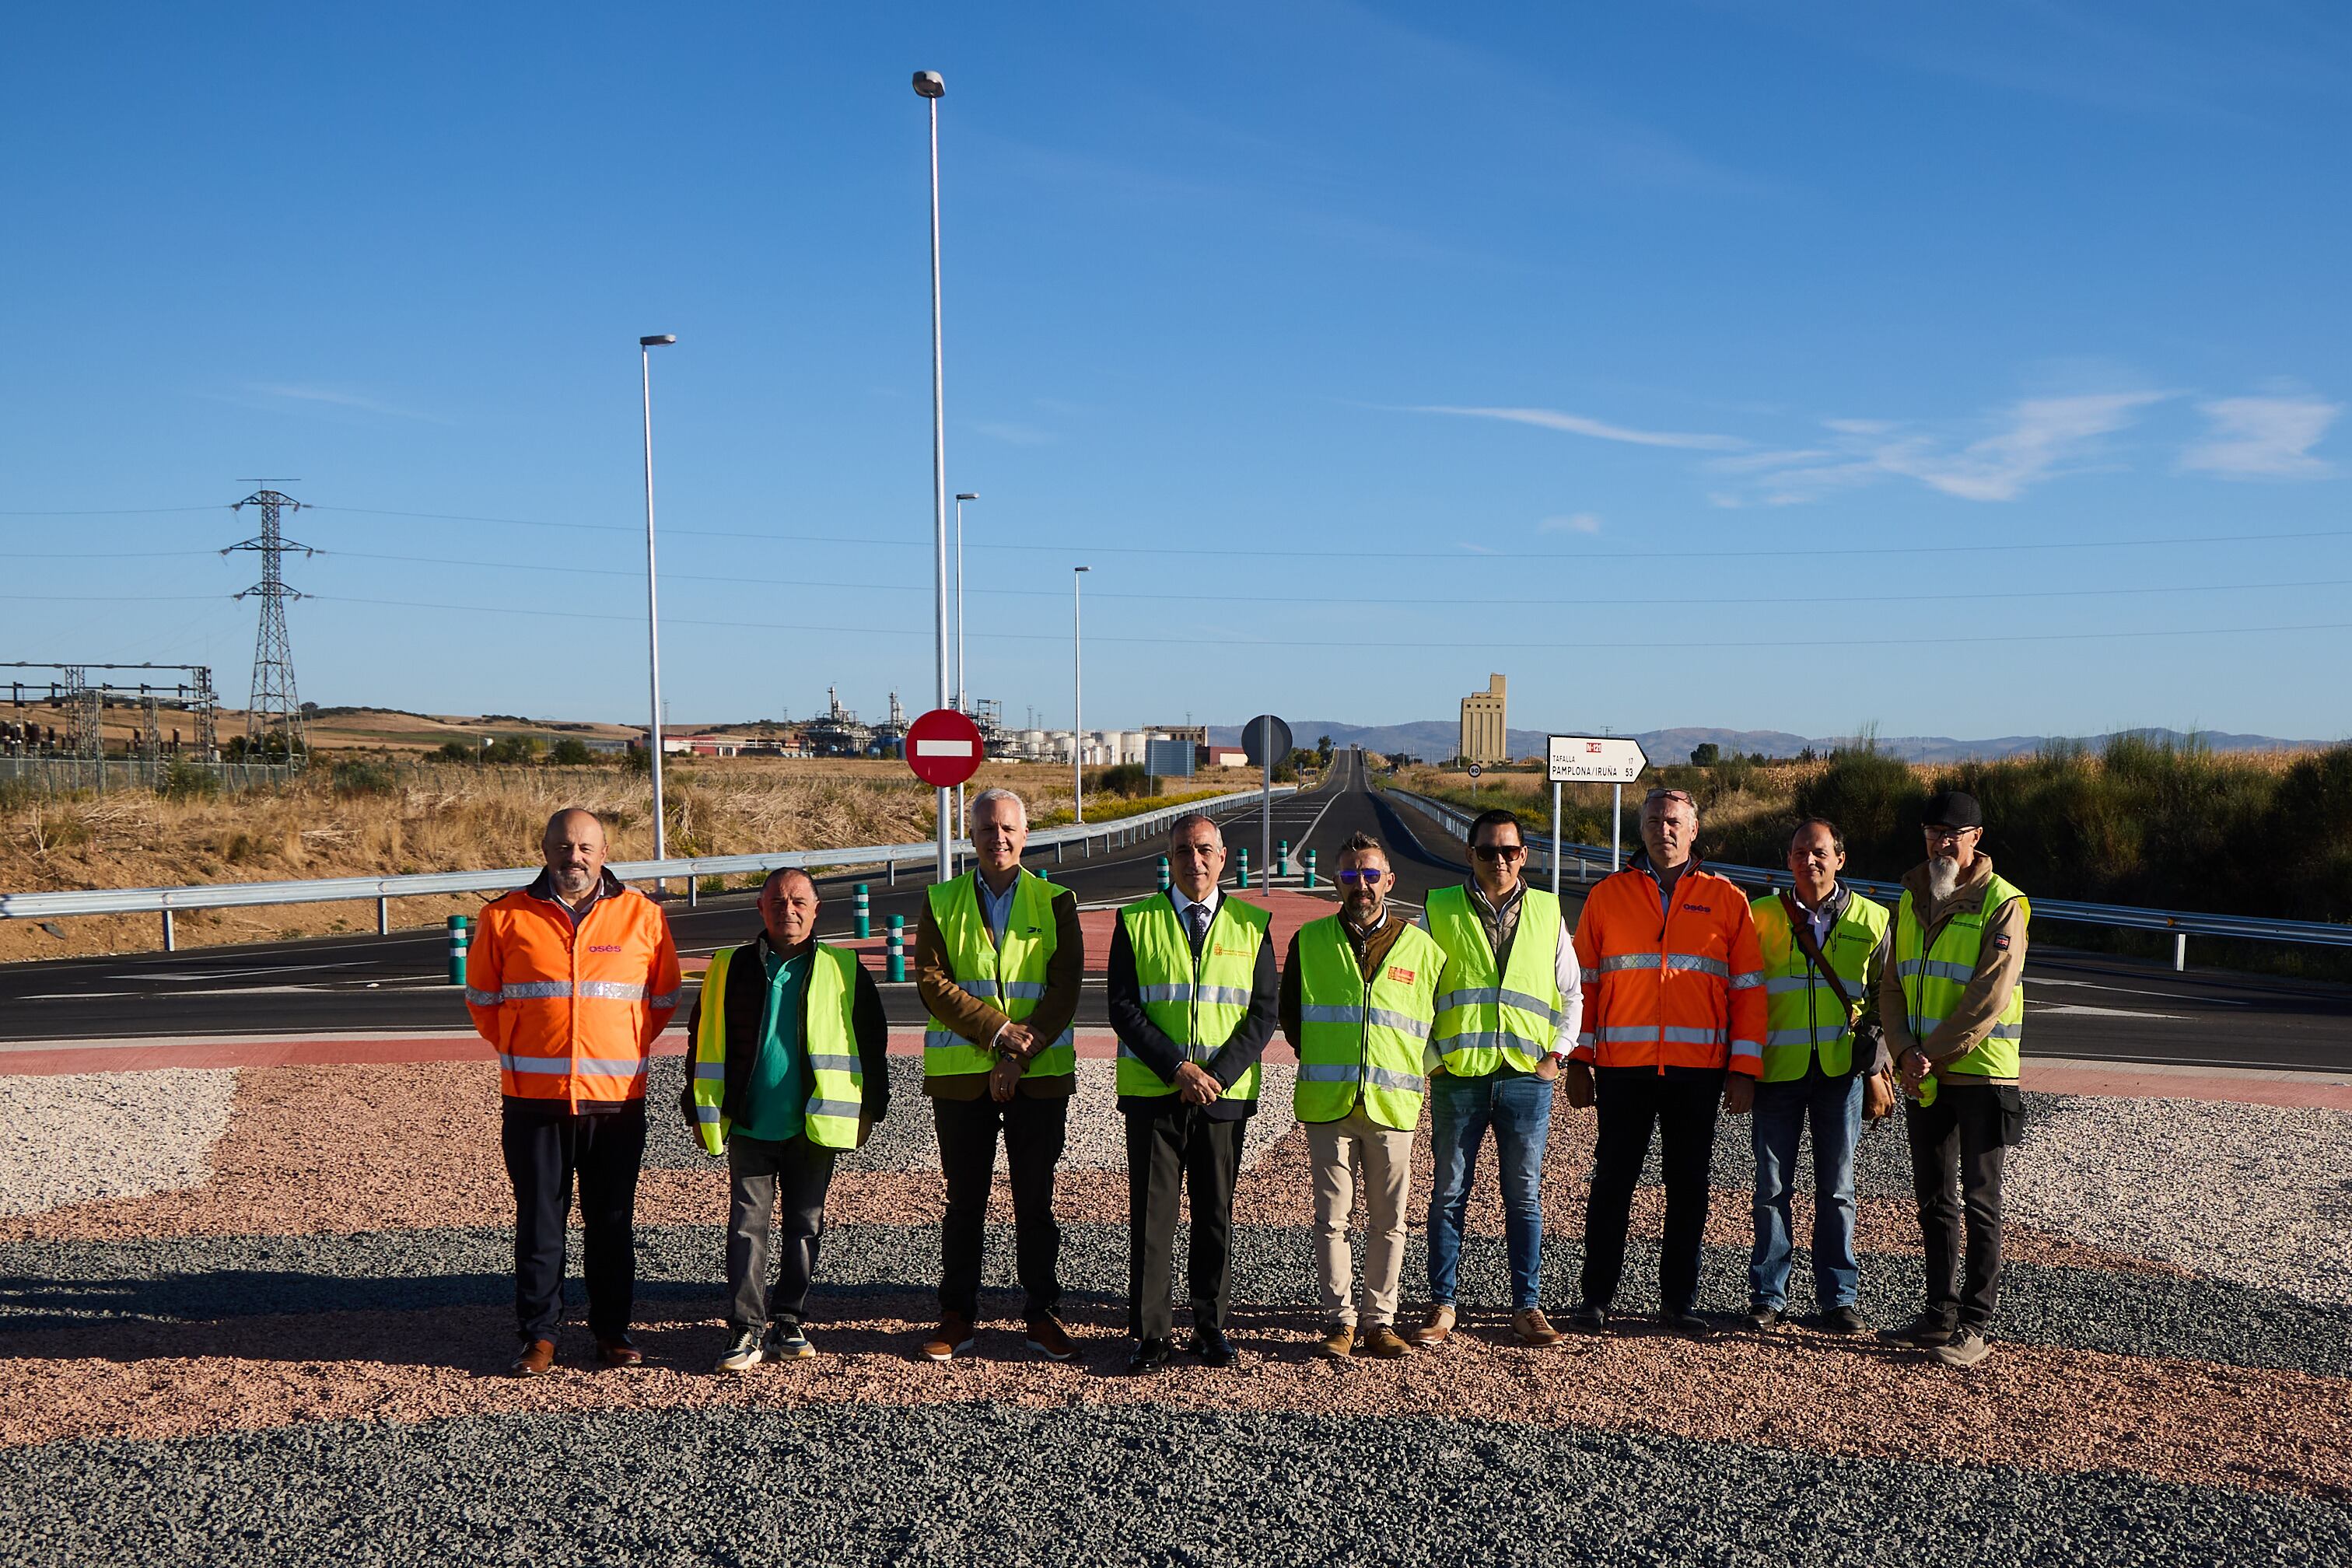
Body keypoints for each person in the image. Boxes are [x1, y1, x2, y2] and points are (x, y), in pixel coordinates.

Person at [464, 807, 682, 1376]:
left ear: (604, 852)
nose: (574, 858)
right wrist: (526, 1050)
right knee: (540, 1222)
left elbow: (661, 1002)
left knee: (612, 1222)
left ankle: (612, 1332)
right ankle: (539, 1336)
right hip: (534, 1100)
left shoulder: (644, 917)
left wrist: (619, 1049)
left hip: (616, 1102)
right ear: (545, 850)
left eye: (585, 847)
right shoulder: (505, 916)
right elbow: (484, 1003)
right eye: (563, 846)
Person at [1564, 787, 1765, 1338]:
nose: (1663, 829)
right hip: (1623, 1070)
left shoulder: (1728, 900)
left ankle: (1678, 1302)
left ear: (1694, 828)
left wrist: (1745, 1070)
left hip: (1697, 1073)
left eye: (1674, 820)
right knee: (1612, 1185)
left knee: (1689, 1189)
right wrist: (1579, 1061)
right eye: (1653, 820)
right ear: (1642, 828)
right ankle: (1596, 1299)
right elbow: (1583, 985)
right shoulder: (1607, 896)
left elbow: (1748, 992)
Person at [683, 868, 891, 1371]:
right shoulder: (728, 967)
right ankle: (745, 1329)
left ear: (817, 909)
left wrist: (871, 1111)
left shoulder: (844, 968)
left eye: (799, 901)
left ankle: (788, 1319)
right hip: (750, 1124)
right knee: (746, 1229)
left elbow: (873, 1044)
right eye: (777, 901)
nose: (788, 910)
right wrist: (696, 1108)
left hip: (813, 1125)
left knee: (805, 1226)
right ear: (760, 909)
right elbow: (700, 1040)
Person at [913, 786, 1083, 1363]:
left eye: (1008, 828)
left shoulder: (1057, 900)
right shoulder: (941, 900)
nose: (998, 838)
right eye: (987, 828)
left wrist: (1018, 1055)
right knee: (965, 1201)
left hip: (1037, 1077)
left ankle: (1042, 1315)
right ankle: (957, 1315)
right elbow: (934, 984)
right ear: (972, 836)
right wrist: (997, 1034)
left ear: (1026, 834)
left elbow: (1064, 990)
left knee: (1035, 1200)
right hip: (962, 1078)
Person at [1108, 812, 1279, 1373]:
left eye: (1204, 850)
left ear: (1223, 857)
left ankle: (1211, 1328)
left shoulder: (1252, 924)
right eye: (1184, 851)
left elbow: (1262, 1013)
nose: (1194, 860)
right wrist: (1178, 1069)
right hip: (1156, 1093)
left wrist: (1216, 1076)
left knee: (1214, 1215)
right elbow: (1123, 1007)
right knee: (1153, 1218)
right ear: (1171, 859)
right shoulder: (1135, 920)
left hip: (1222, 1097)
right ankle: (1152, 1334)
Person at [1412, 808, 1584, 1349]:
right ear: (1471, 854)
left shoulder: (1548, 912)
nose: (1500, 860)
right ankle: (1443, 1306)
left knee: (1525, 1197)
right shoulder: (1438, 910)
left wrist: (1557, 1055)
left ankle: (1526, 1307)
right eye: (1488, 851)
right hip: (1457, 1077)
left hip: (1527, 1080)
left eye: (1510, 851)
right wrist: (1432, 1061)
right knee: (1448, 1195)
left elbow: (1573, 995)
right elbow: (1413, 997)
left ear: (1524, 855)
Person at [1279, 832, 1444, 1360]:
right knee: (1331, 1220)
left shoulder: (1423, 950)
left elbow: (1435, 1025)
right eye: (1350, 875)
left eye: (1370, 875)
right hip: (1329, 1106)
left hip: (1393, 1107)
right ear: (1336, 881)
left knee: (1389, 1222)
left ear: (1389, 881)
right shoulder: (1309, 942)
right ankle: (1340, 1322)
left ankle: (1379, 1321)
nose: (1361, 885)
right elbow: (1292, 1020)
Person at [1881, 789, 2030, 1370]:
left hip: (1980, 1074)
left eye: (1953, 834)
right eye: (1933, 832)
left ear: (1976, 839)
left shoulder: (2003, 902)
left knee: (1980, 1200)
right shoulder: (1912, 894)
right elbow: (1892, 984)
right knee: (1933, 1200)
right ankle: (1938, 1312)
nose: (1942, 843)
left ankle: (1974, 1323)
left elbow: (1988, 996)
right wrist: (1904, 1049)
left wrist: (1927, 1054)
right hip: (1927, 1073)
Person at [1745, 817, 1892, 1334]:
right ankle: (1768, 1296)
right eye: (1801, 852)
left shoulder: (1874, 920)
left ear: (1840, 859)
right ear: (1788, 860)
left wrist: (1875, 1068)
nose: (1810, 861)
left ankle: (1838, 1298)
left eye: (1821, 852)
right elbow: (1741, 993)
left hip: (1840, 1074)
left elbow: (1884, 1002)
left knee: (1837, 1190)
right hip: (1776, 1072)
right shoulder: (1759, 916)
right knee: (1771, 1188)